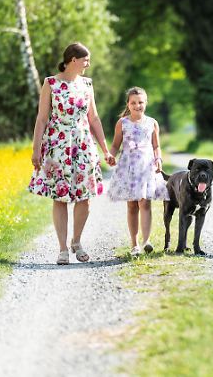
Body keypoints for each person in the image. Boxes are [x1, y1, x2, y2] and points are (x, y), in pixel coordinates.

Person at [29, 42, 115, 265]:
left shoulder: (87, 84)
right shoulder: (51, 83)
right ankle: (62, 249)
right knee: (60, 197)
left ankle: (77, 241)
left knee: (84, 198)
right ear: (73, 60)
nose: (88, 64)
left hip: (83, 144)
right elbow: (41, 118)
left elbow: (94, 118)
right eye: (85, 60)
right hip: (57, 145)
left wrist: (105, 149)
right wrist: (36, 149)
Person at [106, 87, 169, 256]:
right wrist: (111, 155)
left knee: (145, 202)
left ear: (146, 103)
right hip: (128, 167)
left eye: (140, 102)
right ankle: (134, 245)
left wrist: (158, 159)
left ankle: (146, 241)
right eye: (133, 102)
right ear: (128, 104)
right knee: (132, 205)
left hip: (146, 166)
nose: (137, 106)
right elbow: (115, 145)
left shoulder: (152, 123)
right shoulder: (122, 123)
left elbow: (156, 146)